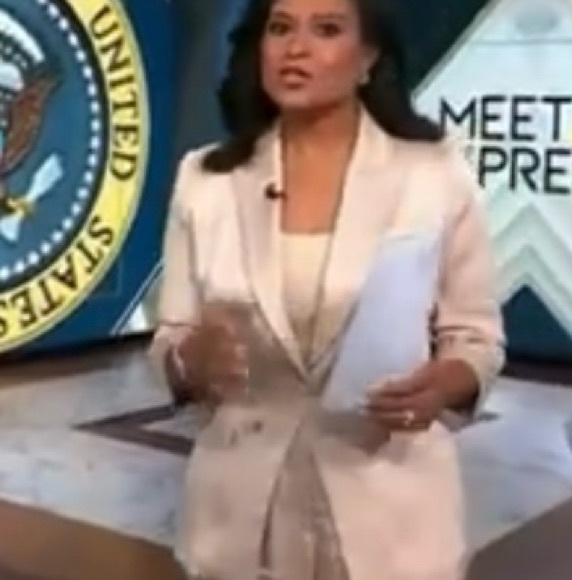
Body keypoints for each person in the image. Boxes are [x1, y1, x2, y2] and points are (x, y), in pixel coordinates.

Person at [149, 0, 505, 578]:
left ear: (368, 57)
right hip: (239, 515)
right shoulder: (206, 178)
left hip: (390, 512)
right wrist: (191, 361)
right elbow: (172, 338)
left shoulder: (434, 171)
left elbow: (476, 338)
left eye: (327, 29)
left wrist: (445, 383)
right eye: (280, 28)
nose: (296, 48)